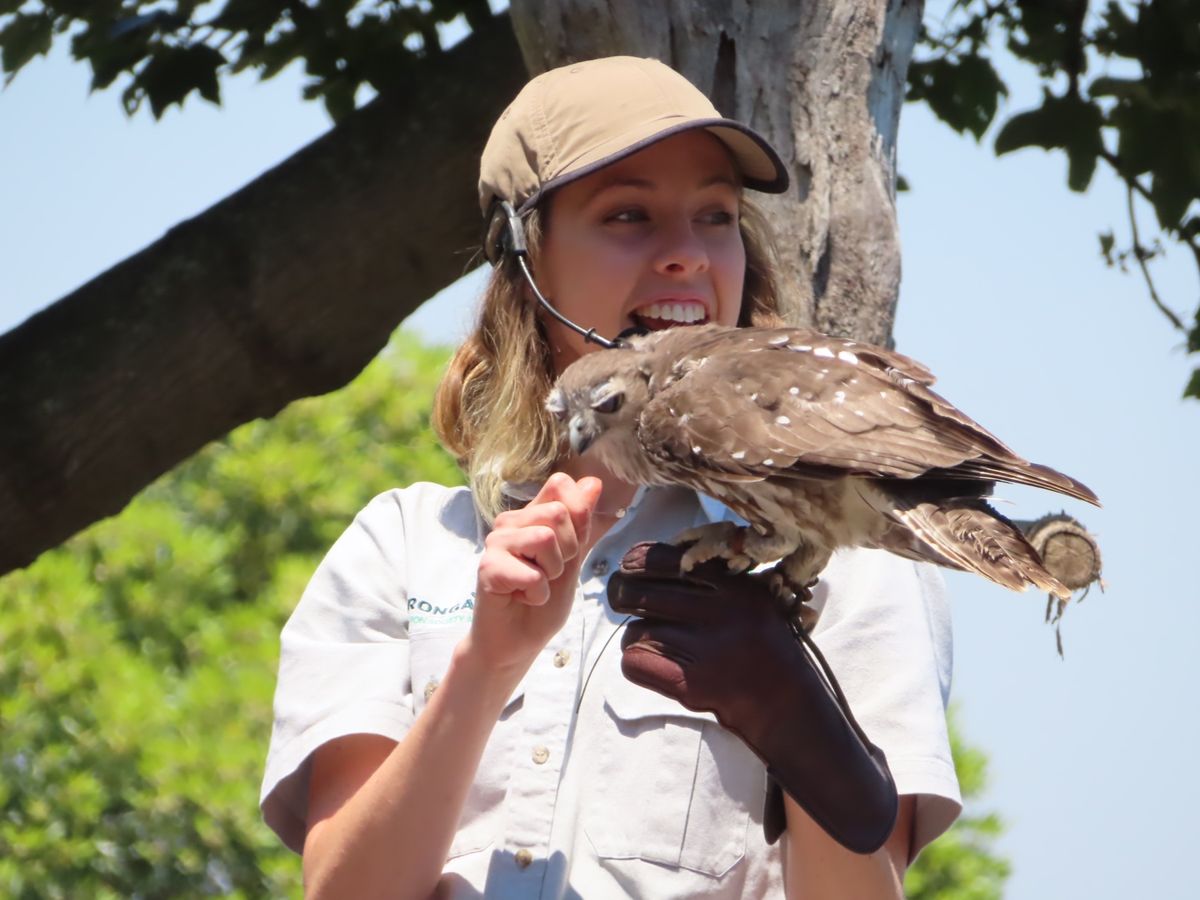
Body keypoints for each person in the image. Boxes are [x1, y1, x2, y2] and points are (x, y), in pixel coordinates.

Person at [261, 56, 961, 899]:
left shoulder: (846, 538)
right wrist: (485, 666)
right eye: (629, 214)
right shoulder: (405, 547)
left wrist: (798, 727)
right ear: (526, 256)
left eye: (716, 216)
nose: (685, 256)